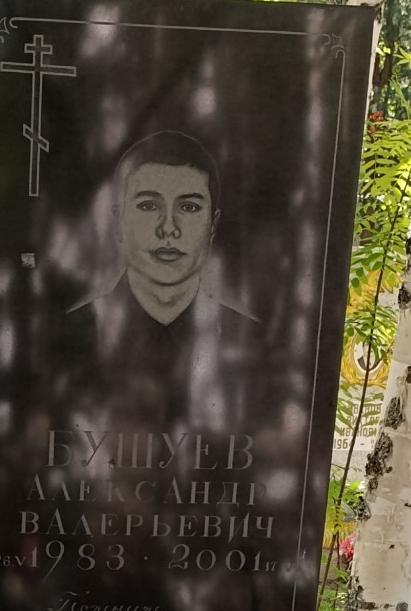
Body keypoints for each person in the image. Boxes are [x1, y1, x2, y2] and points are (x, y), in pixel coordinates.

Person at [59, 130, 260, 416]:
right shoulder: (78, 327)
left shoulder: (242, 329)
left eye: (188, 206)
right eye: (148, 205)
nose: (168, 227)